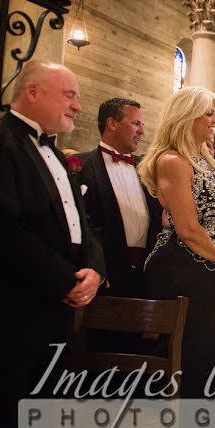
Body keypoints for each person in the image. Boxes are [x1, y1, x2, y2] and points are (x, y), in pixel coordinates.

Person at [0, 61, 106, 428]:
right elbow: (5, 227)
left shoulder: (55, 152)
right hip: (15, 312)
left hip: (57, 315)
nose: (78, 106)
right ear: (34, 92)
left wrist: (94, 268)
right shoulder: (2, 140)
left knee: (39, 426)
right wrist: (63, 279)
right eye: (69, 95)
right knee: (10, 426)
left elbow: (83, 224)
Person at [138, 86, 215, 428]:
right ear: (186, 117)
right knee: (201, 365)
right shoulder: (171, 160)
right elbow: (186, 228)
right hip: (180, 268)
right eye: (208, 114)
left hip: (207, 267)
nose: (214, 122)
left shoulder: (203, 159)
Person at [78, 98, 161, 298]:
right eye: (136, 123)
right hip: (105, 276)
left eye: (142, 125)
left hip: (147, 276)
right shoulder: (82, 166)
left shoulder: (147, 169)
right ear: (112, 123)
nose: (142, 131)